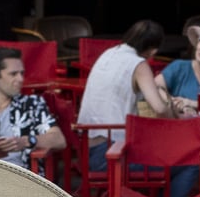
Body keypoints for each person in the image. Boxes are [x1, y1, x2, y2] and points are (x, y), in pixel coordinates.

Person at [75, 20, 178, 169]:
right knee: (184, 163)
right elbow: (160, 109)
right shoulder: (138, 64)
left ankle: (143, 193)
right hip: (113, 154)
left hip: (88, 149)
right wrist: (176, 120)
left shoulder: (108, 53)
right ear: (153, 50)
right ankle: (165, 194)